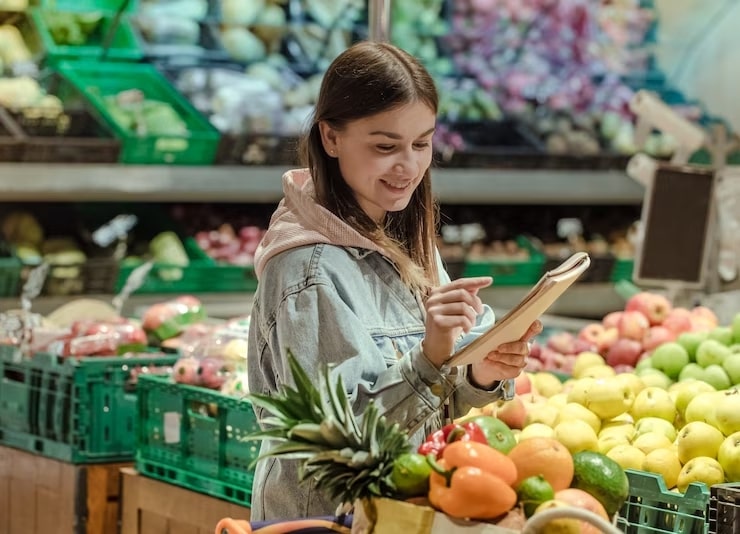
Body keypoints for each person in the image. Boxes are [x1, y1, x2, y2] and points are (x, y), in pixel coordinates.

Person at [247, 40, 542, 522]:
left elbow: (426, 411)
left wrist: (481, 369)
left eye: (421, 144)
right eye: (385, 146)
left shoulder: (399, 237)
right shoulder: (309, 269)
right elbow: (342, 448)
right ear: (331, 137)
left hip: (401, 514)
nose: (408, 166)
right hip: (325, 523)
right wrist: (430, 356)